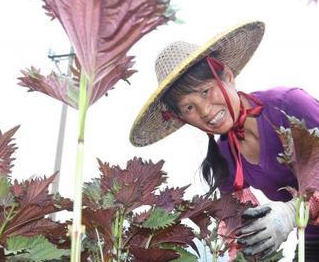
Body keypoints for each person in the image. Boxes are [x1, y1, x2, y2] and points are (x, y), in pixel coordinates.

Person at [129, 20, 319, 261]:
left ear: (228, 76)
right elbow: (241, 223)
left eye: (206, 91)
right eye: (189, 107)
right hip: (313, 238)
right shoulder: (225, 157)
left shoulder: (288, 105)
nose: (206, 111)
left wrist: (293, 211)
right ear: (181, 118)